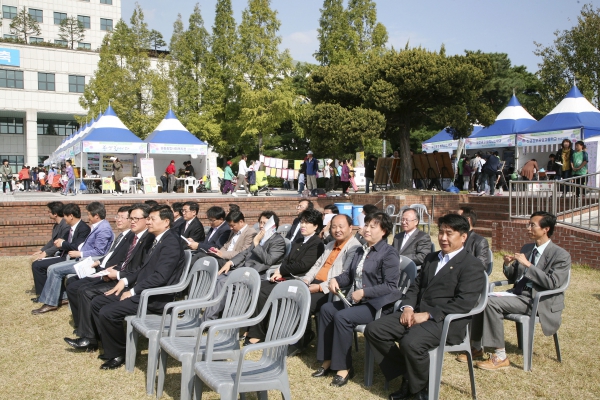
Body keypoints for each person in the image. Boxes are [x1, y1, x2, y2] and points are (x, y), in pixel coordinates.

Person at [363, 214, 486, 399]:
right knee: (374, 330)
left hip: (445, 321)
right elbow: (414, 288)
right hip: (416, 314)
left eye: (449, 233)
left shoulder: (472, 265)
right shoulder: (431, 258)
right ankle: (409, 374)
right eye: (441, 232)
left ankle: (418, 391)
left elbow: (464, 303)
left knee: (410, 342)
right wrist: (408, 308)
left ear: (463, 237)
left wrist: (428, 315)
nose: (443, 238)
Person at [466, 211, 571, 371]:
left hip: (538, 300)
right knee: (481, 298)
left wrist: (529, 265)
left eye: (532, 225)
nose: (528, 228)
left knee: (491, 303)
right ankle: (476, 347)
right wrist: (508, 265)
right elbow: (514, 276)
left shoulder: (560, 255)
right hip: (519, 294)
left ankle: (500, 356)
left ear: (546, 229)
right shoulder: (528, 248)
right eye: (528, 224)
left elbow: (553, 283)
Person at [90, 204, 185, 369]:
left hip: (155, 298)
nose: (148, 222)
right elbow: (143, 269)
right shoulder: (157, 239)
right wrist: (125, 281)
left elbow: (160, 277)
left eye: (152, 219)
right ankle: (109, 344)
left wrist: (133, 291)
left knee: (108, 312)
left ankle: (119, 354)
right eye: (147, 219)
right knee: (98, 302)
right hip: (143, 291)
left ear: (166, 222)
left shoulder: (171, 244)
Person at [313, 212, 399, 387]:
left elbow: (391, 286)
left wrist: (365, 293)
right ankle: (328, 359)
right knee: (326, 310)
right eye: (366, 225)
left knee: (342, 317)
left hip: (377, 305)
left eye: (372, 226)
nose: (366, 229)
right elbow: (349, 276)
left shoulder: (388, 253)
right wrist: (336, 280)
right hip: (358, 301)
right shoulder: (361, 250)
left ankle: (344, 368)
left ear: (383, 231)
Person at [64, 204, 154, 352]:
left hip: (129, 283)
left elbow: (142, 269)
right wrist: (113, 270)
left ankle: (90, 338)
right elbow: (127, 262)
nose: (132, 221)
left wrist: (118, 274)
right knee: (78, 286)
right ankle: (89, 334)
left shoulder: (147, 239)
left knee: (87, 292)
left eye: (136, 218)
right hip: (119, 275)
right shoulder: (135, 236)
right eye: (130, 218)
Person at [245, 208, 325, 344]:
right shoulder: (299, 240)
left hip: (298, 279)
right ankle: (253, 327)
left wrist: (281, 271)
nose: (303, 225)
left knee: (264, 293)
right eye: (302, 222)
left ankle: (258, 333)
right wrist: (278, 272)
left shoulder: (317, 244)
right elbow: (287, 260)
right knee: (259, 287)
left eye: (307, 223)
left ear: (316, 226)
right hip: (286, 276)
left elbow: (303, 266)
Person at [289, 214, 362, 356]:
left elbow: (345, 276)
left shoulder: (354, 248)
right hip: (315, 283)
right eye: (334, 226)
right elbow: (316, 266)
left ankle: (300, 341)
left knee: (302, 303)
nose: (337, 230)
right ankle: (297, 335)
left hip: (330, 289)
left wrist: (319, 287)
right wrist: (306, 280)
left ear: (350, 228)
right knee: (291, 296)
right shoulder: (329, 245)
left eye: (341, 226)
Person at [202, 211, 287, 321]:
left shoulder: (278, 241)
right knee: (218, 278)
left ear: (273, 225)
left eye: (264, 223)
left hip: (256, 273)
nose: (261, 226)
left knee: (223, 283)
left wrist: (256, 243)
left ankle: (208, 320)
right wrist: (230, 262)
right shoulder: (260, 236)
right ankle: (211, 317)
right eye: (260, 222)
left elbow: (269, 260)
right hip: (243, 269)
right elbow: (245, 252)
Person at [32, 202, 114, 315]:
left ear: (96, 216)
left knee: (54, 270)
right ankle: (61, 297)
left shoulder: (103, 229)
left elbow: (99, 252)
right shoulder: (99, 226)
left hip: (87, 262)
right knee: (52, 268)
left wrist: (80, 253)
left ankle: (51, 303)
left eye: (89, 214)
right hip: (83, 258)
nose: (87, 217)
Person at [31, 203, 91, 302]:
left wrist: (62, 244)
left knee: (38, 265)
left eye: (65, 216)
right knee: (38, 264)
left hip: (72, 258)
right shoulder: (71, 227)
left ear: (71, 216)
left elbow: (76, 247)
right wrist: (46, 249)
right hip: (65, 255)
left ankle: (47, 295)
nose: (64, 218)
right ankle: (45, 294)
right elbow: (58, 241)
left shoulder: (83, 228)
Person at [190, 210, 257, 268]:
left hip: (232, 262)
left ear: (241, 222)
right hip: (222, 257)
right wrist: (217, 252)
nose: (230, 228)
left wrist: (222, 254)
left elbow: (242, 253)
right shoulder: (233, 231)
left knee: (201, 257)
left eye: (232, 225)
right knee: (200, 256)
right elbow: (226, 245)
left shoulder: (250, 233)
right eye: (229, 225)